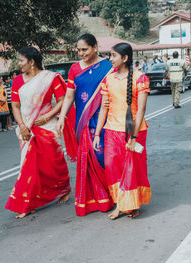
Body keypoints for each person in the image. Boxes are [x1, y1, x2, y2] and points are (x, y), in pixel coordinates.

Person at [5, 46, 77, 219]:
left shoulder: (50, 78)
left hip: (47, 126)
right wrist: (22, 125)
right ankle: (28, 203)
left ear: (31, 62)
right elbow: (15, 106)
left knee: (53, 162)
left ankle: (64, 188)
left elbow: (62, 101)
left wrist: (48, 117)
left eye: (22, 60)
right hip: (27, 128)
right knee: (28, 166)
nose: (19, 64)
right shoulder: (17, 81)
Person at [56, 33, 115, 216]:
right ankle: (96, 198)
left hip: (106, 119)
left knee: (104, 158)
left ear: (95, 47)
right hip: (83, 121)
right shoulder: (74, 69)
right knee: (89, 160)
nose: (81, 53)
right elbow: (69, 95)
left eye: (85, 49)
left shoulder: (107, 66)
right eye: (79, 50)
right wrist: (62, 116)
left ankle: (113, 195)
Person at [93, 43, 151, 219]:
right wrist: (97, 134)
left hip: (134, 131)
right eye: (110, 55)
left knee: (131, 169)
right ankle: (121, 203)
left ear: (124, 58)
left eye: (114, 55)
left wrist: (133, 137)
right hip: (111, 131)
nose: (110, 59)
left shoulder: (140, 78)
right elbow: (103, 108)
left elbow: (140, 111)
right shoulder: (108, 79)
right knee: (112, 168)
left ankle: (130, 205)